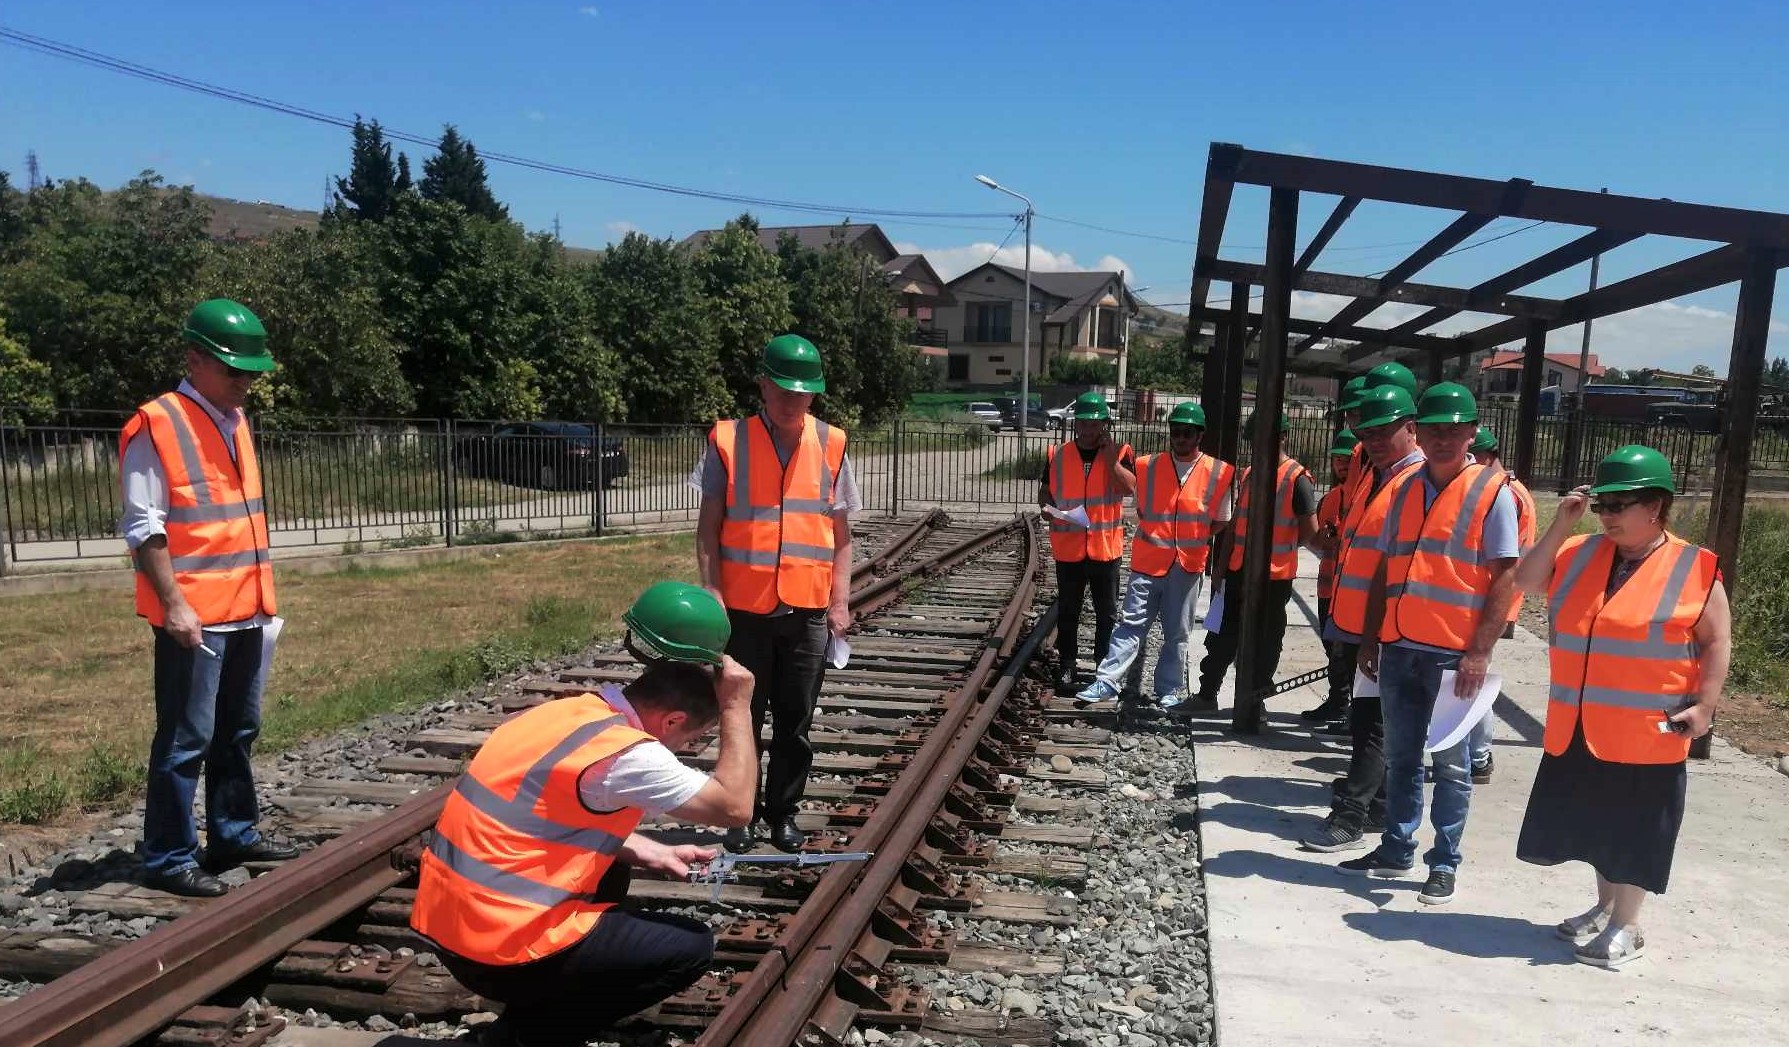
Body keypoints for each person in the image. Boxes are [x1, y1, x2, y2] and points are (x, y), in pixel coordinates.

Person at [412, 582, 756, 1046]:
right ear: (672, 720)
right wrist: (737, 705)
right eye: (692, 739)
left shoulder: (568, 714)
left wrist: (646, 850)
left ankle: (538, 1003)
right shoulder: (628, 754)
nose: (686, 749)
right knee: (690, 947)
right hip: (497, 949)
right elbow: (735, 807)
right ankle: (521, 1037)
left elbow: (535, 820)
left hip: (446, 924)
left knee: (612, 872)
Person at [1512, 447, 1728, 968]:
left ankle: (1627, 926)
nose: (1607, 513)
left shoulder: (1693, 567)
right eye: (1602, 502)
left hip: (1648, 730)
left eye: (1620, 503)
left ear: (1655, 506)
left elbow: (1717, 640)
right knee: (1596, 826)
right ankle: (1605, 908)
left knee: (1633, 831)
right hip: (1581, 726)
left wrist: (1705, 706)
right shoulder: (1581, 552)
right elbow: (1524, 580)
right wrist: (1562, 524)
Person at [119, 298, 298, 898]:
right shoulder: (157, 424)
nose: (246, 382)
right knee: (184, 738)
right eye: (234, 371)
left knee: (237, 730)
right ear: (195, 359)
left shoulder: (235, 419)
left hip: (247, 607)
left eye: (251, 372)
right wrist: (173, 604)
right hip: (193, 615)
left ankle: (233, 835)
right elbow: (146, 527)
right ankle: (168, 856)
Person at [1338, 383, 1521, 907]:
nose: (1443, 438)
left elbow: (1505, 577)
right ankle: (1397, 847)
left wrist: (1480, 652)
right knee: (1400, 757)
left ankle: (1443, 863)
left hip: (1452, 656)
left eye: (1453, 429)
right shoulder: (1403, 489)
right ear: (1419, 430)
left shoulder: (1493, 493)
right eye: (1434, 429)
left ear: (1471, 432)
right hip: (1399, 647)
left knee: (1453, 765)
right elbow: (1384, 568)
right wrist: (1372, 635)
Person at [692, 334, 858, 854]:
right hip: (743, 611)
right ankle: (737, 813)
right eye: (784, 389)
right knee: (741, 718)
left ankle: (782, 814)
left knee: (796, 722)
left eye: (803, 393)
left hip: (806, 612)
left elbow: (841, 537)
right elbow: (707, 531)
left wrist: (839, 602)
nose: (793, 401)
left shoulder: (832, 443)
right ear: (763, 384)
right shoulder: (728, 440)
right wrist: (712, 593)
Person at [1300, 384, 1424, 853]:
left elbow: (1394, 563)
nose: (1372, 439)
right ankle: (1380, 804)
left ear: (1410, 428)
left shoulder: (1412, 480)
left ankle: (1351, 814)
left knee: (1373, 721)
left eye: (1383, 431)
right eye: (1366, 431)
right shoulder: (1377, 473)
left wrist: (1374, 632)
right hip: (1362, 620)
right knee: (1373, 717)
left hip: (1387, 625)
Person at [1074, 402, 1233, 709]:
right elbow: (1142, 506)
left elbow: (1222, 518)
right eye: (1175, 432)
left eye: (1186, 432)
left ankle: (1170, 691)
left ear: (1199, 435)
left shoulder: (1218, 472)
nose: (1180, 438)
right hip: (1148, 563)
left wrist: (1193, 538)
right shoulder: (1149, 466)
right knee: (1130, 625)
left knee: (1177, 632)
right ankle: (1106, 682)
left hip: (1186, 565)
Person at [1188, 411, 1316, 711]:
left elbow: (1310, 531)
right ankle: (1208, 694)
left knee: (1266, 640)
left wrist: (1278, 549)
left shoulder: (1296, 478)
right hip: (1238, 570)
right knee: (1222, 634)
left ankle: (1255, 701)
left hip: (1274, 577)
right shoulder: (1248, 474)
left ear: (1282, 437)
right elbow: (1234, 526)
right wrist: (1219, 567)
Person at [1039, 391, 1137, 694]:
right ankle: (1067, 665)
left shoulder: (1120, 453)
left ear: (1104, 425)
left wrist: (1110, 461)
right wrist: (1048, 509)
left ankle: (1102, 670)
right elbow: (1045, 494)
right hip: (1069, 549)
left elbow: (1129, 488)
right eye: (1083, 423)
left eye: (1094, 424)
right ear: (1075, 423)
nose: (1088, 430)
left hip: (1105, 549)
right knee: (1069, 610)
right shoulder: (1057, 455)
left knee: (1106, 612)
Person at [1463, 425, 1538, 783]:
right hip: (1490, 599)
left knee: (1473, 678)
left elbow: (1503, 560)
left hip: (1494, 601)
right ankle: (1474, 753)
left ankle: (1479, 755)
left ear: (1488, 456)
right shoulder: (1503, 490)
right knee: (1466, 679)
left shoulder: (1504, 494)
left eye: (1471, 456)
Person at [1301, 428, 1359, 727]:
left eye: (1347, 458)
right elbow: (1316, 542)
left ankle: (1351, 709)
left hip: (1352, 592)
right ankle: (1339, 702)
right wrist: (1325, 540)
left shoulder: (1364, 496)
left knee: (1349, 655)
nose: (1341, 465)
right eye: (1337, 459)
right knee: (1333, 649)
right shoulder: (1332, 498)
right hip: (1329, 589)